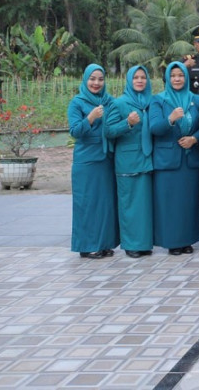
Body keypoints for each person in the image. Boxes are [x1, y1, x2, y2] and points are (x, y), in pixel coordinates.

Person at [149, 62, 199, 255]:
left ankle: (188, 240)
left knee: (189, 202)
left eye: (180, 75)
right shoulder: (158, 100)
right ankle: (172, 242)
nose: (177, 79)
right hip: (167, 162)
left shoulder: (196, 100)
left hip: (190, 161)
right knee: (169, 203)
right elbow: (154, 128)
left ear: (186, 77)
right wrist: (170, 119)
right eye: (173, 75)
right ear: (167, 78)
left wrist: (194, 139)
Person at [68, 64, 119, 259]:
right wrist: (90, 118)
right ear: (85, 79)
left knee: (105, 203)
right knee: (87, 203)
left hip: (106, 159)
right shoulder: (77, 102)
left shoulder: (110, 101)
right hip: (87, 161)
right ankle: (87, 246)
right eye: (92, 79)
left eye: (100, 79)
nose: (96, 83)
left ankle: (103, 244)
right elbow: (75, 131)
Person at [105, 65, 155, 258]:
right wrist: (127, 123)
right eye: (136, 78)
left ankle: (144, 243)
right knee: (129, 205)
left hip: (148, 160)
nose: (140, 81)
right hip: (128, 161)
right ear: (129, 80)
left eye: (143, 77)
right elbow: (108, 131)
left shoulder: (151, 101)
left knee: (144, 205)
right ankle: (131, 244)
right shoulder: (119, 103)